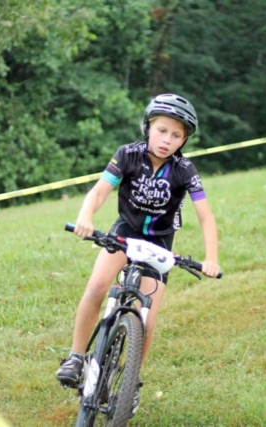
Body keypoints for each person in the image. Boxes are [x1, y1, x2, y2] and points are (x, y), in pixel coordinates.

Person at [56, 93, 221, 416]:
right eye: (161, 130)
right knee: (97, 286)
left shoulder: (185, 169)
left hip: (160, 244)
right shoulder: (127, 155)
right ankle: (76, 356)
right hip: (124, 233)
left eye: (176, 135)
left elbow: (206, 216)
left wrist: (211, 258)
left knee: (148, 316)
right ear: (148, 127)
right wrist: (86, 217)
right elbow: (100, 190)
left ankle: (130, 382)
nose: (167, 140)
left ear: (184, 140)